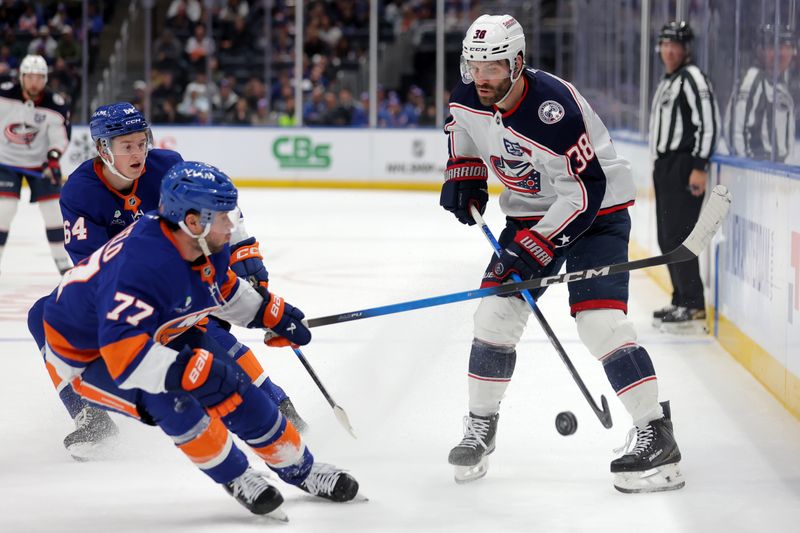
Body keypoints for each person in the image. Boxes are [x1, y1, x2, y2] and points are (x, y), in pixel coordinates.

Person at [439, 14, 684, 493]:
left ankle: (657, 433)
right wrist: (464, 175)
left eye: (492, 68)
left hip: (598, 212)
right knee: (493, 316)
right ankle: (481, 426)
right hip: (530, 214)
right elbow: (462, 132)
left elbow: (585, 193)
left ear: (518, 62)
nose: (481, 78)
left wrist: (533, 250)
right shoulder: (470, 96)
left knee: (600, 323)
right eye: (474, 66)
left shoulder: (552, 110)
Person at [42, 161, 360, 517]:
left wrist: (270, 313)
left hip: (156, 327)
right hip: (90, 354)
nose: (232, 226)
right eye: (223, 216)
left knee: (237, 386)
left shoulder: (205, 243)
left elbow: (221, 289)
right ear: (192, 222)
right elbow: (123, 353)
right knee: (176, 402)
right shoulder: (143, 268)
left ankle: (302, 469)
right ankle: (237, 476)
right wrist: (184, 372)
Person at [27, 102, 306, 460]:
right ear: (103, 149)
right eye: (126, 145)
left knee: (206, 328)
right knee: (42, 315)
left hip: (187, 269)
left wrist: (244, 252)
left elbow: (219, 204)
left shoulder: (167, 165)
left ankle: (279, 407)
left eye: (141, 142)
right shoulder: (80, 191)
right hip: (126, 288)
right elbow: (94, 267)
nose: (138, 152)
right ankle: (91, 418)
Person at [649, 21, 719, 334]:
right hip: (665, 167)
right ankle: (681, 298)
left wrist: (699, 165)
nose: (668, 50)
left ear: (686, 48)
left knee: (680, 235)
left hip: (683, 165)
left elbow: (708, 121)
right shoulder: (669, 80)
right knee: (667, 236)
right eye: (665, 44)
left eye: (674, 44)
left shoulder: (692, 78)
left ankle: (692, 303)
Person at [0, 54, 72, 276]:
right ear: (21, 77)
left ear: (46, 79)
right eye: (30, 77)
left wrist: (53, 158)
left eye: (39, 78)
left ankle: (63, 263)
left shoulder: (56, 104)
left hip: (40, 165)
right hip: (5, 162)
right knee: (4, 210)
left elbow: (60, 136)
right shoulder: (3, 95)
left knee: (54, 212)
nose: (34, 82)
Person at [726, 24, 795, 163]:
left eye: (786, 47)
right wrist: (748, 170)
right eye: (773, 47)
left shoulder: (780, 84)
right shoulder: (753, 80)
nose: (781, 53)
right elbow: (736, 131)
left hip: (777, 172)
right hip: (759, 174)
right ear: (760, 50)